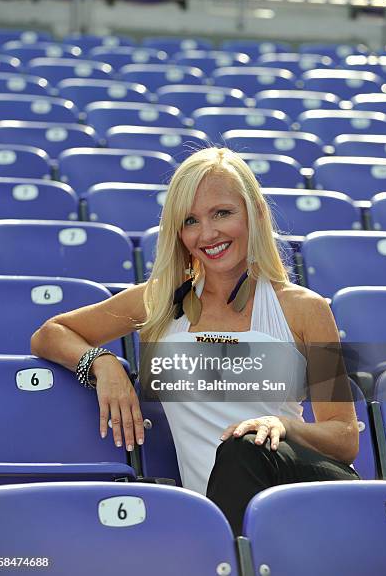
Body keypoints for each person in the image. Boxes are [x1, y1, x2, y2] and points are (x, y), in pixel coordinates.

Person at [31, 146, 360, 536]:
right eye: (191, 220)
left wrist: (284, 425)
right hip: (215, 507)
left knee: (245, 445)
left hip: (301, 490)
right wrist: (104, 365)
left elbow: (344, 437)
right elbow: (49, 334)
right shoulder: (159, 300)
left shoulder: (304, 309)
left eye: (222, 213)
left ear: (254, 211)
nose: (208, 233)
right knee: (238, 453)